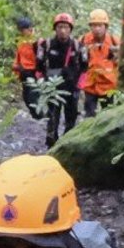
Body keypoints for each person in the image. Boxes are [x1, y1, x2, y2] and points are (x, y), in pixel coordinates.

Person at [36, 13, 87, 147]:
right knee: (52, 118)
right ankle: (51, 144)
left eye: (65, 27)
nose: (63, 30)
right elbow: (38, 67)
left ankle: (67, 144)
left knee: (71, 118)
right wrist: (42, 84)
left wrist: (80, 86)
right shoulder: (46, 45)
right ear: (55, 28)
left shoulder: (78, 46)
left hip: (71, 88)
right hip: (53, 88)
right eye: (59, 27)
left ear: (70, 29)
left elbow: (85, 68)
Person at [78, 8, 121, 119]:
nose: (97, 29)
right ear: (90, 26)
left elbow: (122, 64)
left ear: (105, 26)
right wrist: (80, 85)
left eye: (100, 25)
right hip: (89, 86)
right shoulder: (83, 40)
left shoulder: (115, 41)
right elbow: (78, 64)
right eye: (94, 25)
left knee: (108, 118)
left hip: (108, 86)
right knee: (89, 117)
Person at [12, 15, 41, 118]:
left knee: (33, 97)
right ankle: (36, 117)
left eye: (22, 29)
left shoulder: (37, 42)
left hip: (33, 73)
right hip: (23, 72)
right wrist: (15, 67)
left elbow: (41, 58)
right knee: (26, 97)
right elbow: (18, 56)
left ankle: (40, 117)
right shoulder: (21, 42)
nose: (20, 32)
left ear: (29, 28)